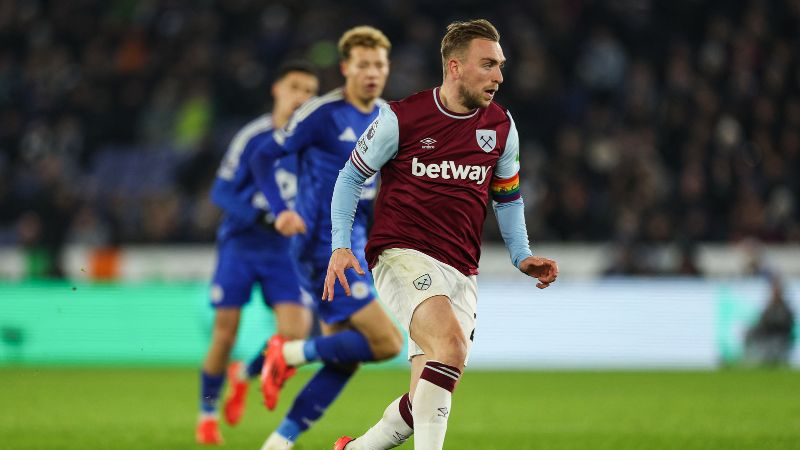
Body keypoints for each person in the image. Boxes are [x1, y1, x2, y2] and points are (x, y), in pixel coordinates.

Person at [324, 19, 559, 450]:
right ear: (455, 67)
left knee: (424, 400)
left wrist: (521, 255)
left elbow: (507, 197)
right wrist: (340, 245)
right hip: (401, 254)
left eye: (501, 66)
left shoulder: (502, 127)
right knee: (450, 347)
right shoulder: (401, 117)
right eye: (488, 65)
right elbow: (349, 179)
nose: (499, 77)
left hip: (461, 270)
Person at [251, 26, 403, 450]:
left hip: (354, 245)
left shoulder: (389, 117)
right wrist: (281, 212)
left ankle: (278, 443)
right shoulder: (321, 114)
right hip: (323, 245)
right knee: (388, 343)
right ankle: (287, 355)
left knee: (348, 355)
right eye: (363, 64)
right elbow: (265, 155)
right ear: (345, 68)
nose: (372, 72)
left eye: (379, 65)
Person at [196, 61, 319, 445]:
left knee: (294, 336)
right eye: (295, 87)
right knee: (225, 334)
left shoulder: (314, 144)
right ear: (277, 89)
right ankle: (207, 414)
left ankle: (244, 375)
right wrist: (264, 216)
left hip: (284, 252)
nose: (301, 97)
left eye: (310, 91)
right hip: (242, 245)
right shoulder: (253, 136)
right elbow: (221, 192)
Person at [744, 273, 796, 366]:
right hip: (766, 335)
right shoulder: (769, 307)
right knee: (749, 333)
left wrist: (769, 325)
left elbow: (785, 324)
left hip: (779, 337)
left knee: (773, 343)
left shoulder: (785, 308)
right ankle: (748, 361)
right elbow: (762, 321)